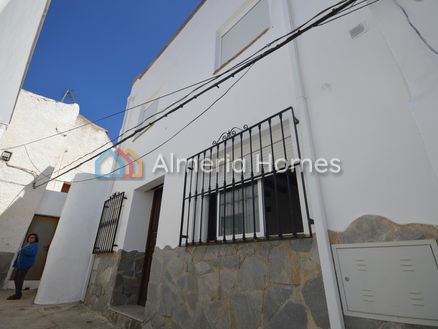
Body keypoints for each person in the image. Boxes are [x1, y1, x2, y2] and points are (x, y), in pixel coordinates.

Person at [7, 233, 39, 300]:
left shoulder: (35, 245)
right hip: (20, 264)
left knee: (19, 279)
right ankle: (18, 293)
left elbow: (31, 253)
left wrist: (22, 249)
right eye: (30, 237)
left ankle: (18, 295)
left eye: (33, 237)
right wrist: (16, 263)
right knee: (16, 278)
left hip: (25, 265)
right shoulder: (28, 245)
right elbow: (20, 254)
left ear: (35, 239)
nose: (31, 238)